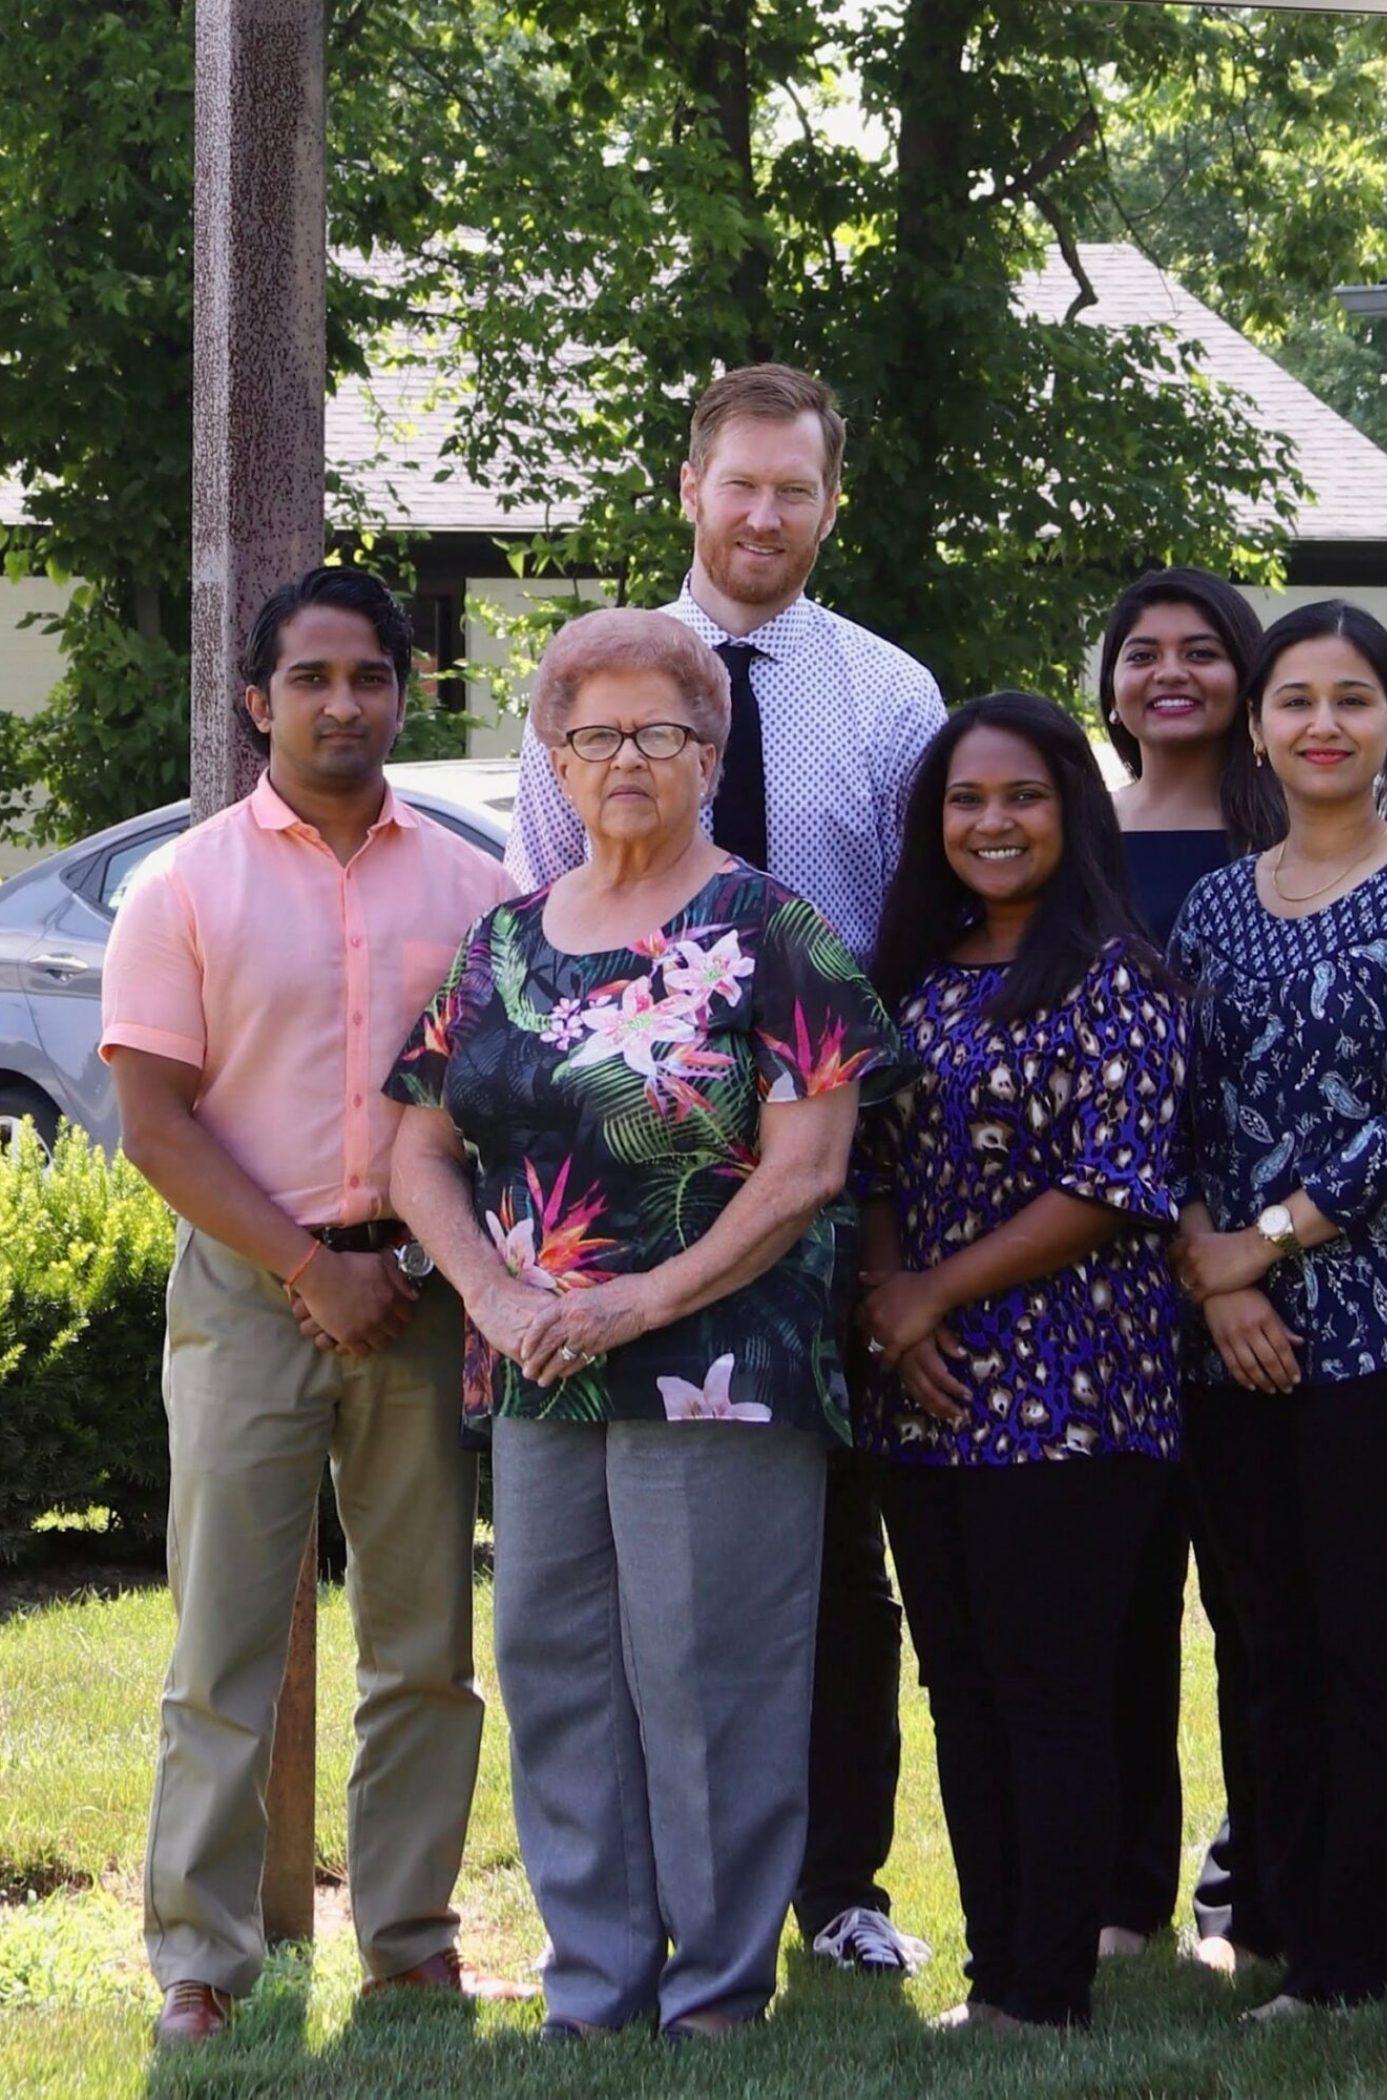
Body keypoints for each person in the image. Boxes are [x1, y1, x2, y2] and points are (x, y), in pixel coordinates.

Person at [387, 608, 903, 2041]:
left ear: (709, 753)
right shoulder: (498, 945)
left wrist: (640, 1302)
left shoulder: (772, 933)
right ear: (549, 758)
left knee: (710, 1678)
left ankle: (719, 1993)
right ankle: (596, 1987)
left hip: (718, 1366)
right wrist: (491, 1296)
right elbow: (415, 1151)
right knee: (556, 1673)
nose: (627, 758)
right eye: (594, 734)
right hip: (540, 1366)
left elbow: (807, 1170)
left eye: (660, 734)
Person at [504, 363, 941, 1979]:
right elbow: (544, 929)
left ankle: (838, 1888)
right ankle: (635, 1918)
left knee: (824, 1561)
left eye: (796, 490)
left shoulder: (891, 698)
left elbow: (907, 930)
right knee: (614, 1595)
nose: (766, 515)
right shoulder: (599, 683)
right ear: (692, 490)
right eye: (740, 484)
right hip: (619, 1199)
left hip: (823, 1177)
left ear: (834, 506)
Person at [100, 568, 523, 2045]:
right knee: (222, 1641)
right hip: (247, 1290)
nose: (344, 703)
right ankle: (200, 1962)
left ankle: (407, 1939)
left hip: (418, 1294)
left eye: (371, 676)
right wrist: (302, 1266)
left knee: (423, 1644)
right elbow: (155, 1122)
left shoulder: (478, 892)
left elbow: (500, 1108)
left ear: (406, 690)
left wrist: (401, 1268)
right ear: (256, 699)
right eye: (314, 678)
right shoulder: (187, 885)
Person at [1169, 600, 1387, 2016]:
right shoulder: (1213, 904)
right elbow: (1171, 1104)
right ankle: (1285, 1927)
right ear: (1256, 727)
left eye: (1353, 699)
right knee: (1259, 1635)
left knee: (1370, 1635)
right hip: (1232, 1329)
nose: (1323, 724)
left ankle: (1386, 1960)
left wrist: (1268, 1244)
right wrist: (1210, 1265)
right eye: (1296, 698)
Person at [858, 692, 1189, 2031]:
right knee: (964, 1692)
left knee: (1049, 1697)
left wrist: (927, 1292)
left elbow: (1113, 1184)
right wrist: (894, 1303)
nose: (992, 823)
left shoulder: (1121, 975)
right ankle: (999, 1972)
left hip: (1073, 1398)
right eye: (967, 802)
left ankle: (1046, 1989)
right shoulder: (918, 978)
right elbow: (869, 1153)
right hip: (923, 1394)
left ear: (1073, 812)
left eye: (1024, 798)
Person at [1095, 567, 1275, 1972]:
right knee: (1117, 1600)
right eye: (1142, 652)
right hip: (1100, 1273)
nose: (1171, 673)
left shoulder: (1298, 835)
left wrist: (1239, 1253)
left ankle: (1265, 1884)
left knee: (1268, 1597)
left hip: (1273, 1267)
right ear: (1109, 683)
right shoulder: (1073, 838)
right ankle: (1120, 1902)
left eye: (1202, 651)